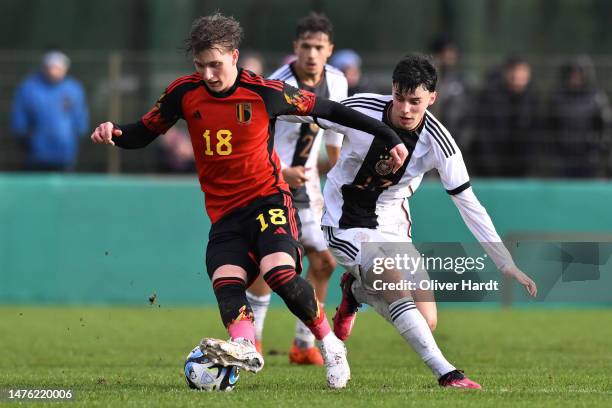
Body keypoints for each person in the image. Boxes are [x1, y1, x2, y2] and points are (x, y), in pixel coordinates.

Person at [90, 12, 408, 389]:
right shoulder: (183, 93)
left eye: (215, 64)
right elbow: (143, 132)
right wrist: (115, 132)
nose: (208, 74)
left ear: (234, 56)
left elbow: (330, 110)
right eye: (200, 65)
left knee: (278, 272)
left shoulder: (265, 92)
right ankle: (243, 344)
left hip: (268, 198)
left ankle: (330, 343)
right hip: (224, 214)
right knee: (225, 280)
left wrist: (387, 134)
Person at [280, 54, 538, 388]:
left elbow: (469, 204)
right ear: (392, 90)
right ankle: (447, 373)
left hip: (392, 224)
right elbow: (311, 110)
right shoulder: (361, 108)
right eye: (400, 98)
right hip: (344, 220)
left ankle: (356, 292)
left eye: (415, 101)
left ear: (433, 98)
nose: (405, 109)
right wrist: (259, 103)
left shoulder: (440, 143)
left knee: (426, 320)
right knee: (392, 280)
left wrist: (506, 264)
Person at [245, 12, 347, 366]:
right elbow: (254, 139)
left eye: (319, 47)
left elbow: (335, 134)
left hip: (310, 186)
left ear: (329, 50)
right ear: (295, 48)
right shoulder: (275, 85)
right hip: (272, 181)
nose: (312, 54)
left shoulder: (337, 82)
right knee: (267, 263)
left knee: (323, 261)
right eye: (306, 46)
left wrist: (339, 175)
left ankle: (302, 345)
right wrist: (281, 171)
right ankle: (252, 342)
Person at [11, 50, 89, 171]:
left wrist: (78, 137)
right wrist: (24, 139)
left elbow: (80, 120)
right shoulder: (29, 87)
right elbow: (19, 119)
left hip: (65, 154)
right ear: (44, 67)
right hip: (35, 155)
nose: (54, 70)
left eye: (58, 67)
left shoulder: (74, 89)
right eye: (51, 67)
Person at [472, 56, 541, 177]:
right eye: (516, 72)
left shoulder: (532, 100)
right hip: (492, 168)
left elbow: (536, 135)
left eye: (523, 73)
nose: (519, 78)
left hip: (522, 169)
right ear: (508, 73)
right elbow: (484, 133)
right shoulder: (491, 98)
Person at [547, 56, 612, 177]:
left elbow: (606, 127)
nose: (575, 77)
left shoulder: (597, 98)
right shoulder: (557, 97)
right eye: (572, 74)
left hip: (589, 159)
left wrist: (598, 149)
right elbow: (549, 127)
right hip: (563, 159)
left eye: (579, 73)